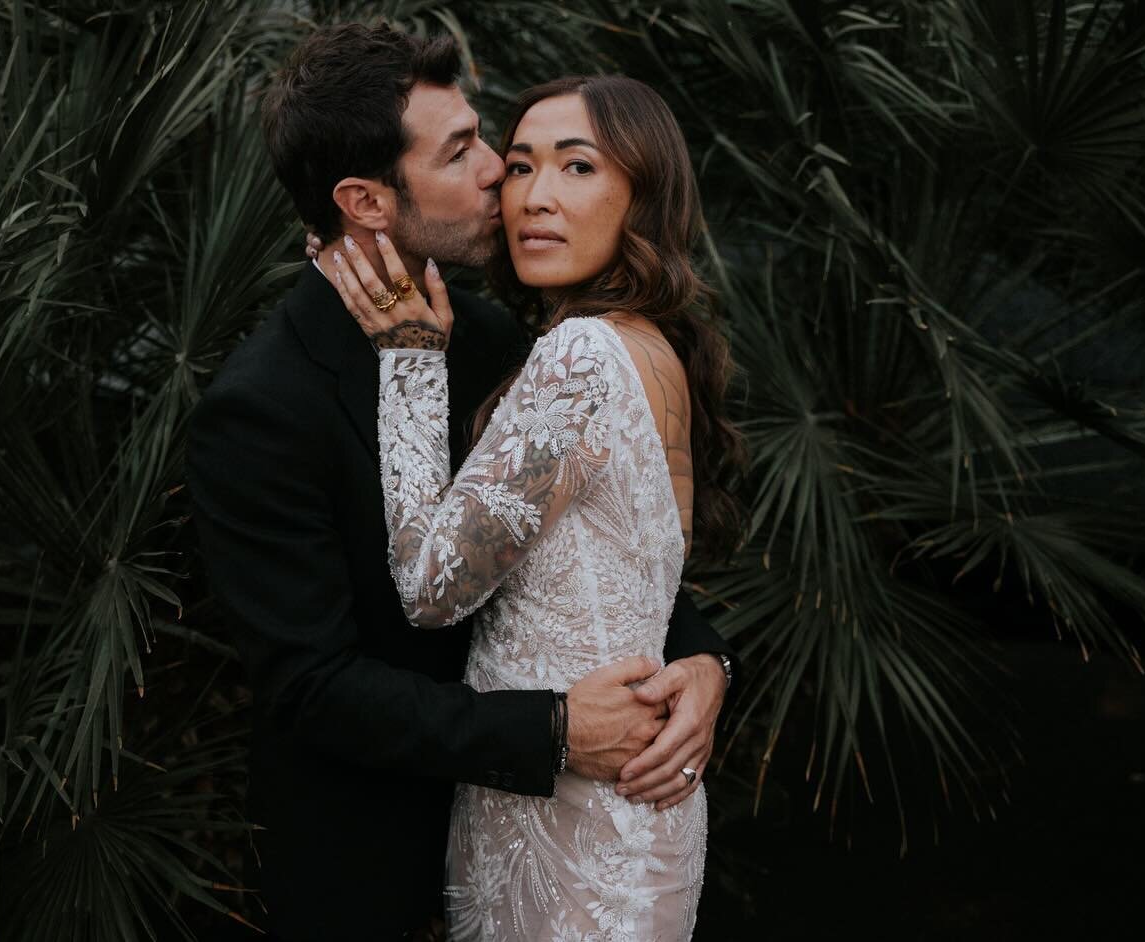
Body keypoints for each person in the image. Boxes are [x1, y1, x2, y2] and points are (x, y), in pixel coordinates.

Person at [186, 24, 738, 941]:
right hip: (376, 873)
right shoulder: (260, 409)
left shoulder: (493, 339)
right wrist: (553, 732)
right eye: (467, 152)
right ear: (366, 199)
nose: (499, 174)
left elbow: (606, 536)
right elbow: (314, 689)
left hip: (566, 844)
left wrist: (706, 664)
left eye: (492, 143)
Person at [329, 73, 747, 940]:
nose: (537, 197)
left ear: (646, 195)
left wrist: (409, 362)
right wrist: (710, 663)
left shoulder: (585, 356)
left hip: (584, 823)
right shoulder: (634, 342)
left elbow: (432, 588)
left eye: (579, 167)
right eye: (518, 167)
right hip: (580, 808)